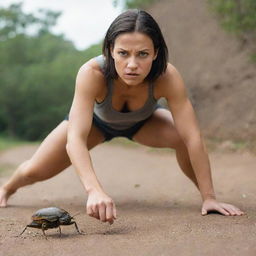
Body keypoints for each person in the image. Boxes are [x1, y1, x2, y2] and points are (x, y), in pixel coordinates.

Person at [0, 9, 244, 223]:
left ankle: (205, 197)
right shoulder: (91, 73)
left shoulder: (167, 77)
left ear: (156, 53)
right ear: (110, 51)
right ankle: (7, 187)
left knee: (182, 136)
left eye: (143, 54)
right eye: (123, 53)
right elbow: (75, 139)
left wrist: (210, 197)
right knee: (33, 171)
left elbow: (193, 137)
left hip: (145, 123)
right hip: (96, 124)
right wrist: (94, 190)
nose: (132, 65)